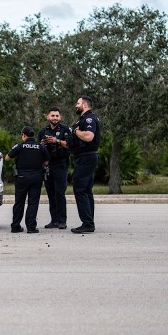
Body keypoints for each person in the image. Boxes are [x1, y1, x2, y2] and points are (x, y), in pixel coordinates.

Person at [5, 126, 49, 233]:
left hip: (22, 177)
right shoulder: (40, 147)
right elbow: (47, 162)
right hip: (36, 177)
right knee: (33, 203)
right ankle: (31, 227)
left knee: (19, 202)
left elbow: (7, 158)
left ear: (24, 135)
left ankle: (15, 226)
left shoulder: (20, 146)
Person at [67, 96, 101, 234]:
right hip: (86, 157)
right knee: (86, 190)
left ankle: (87, 223)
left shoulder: (89, 119)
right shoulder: (83, 119)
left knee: (80, 189)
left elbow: (88, 136)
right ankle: (89, 221)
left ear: (85, 105)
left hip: (86, 157)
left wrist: (75, 131)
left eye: (78, 103)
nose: (76, 105)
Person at [38, 107, 72, 230]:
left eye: (57, 116)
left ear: (60, 117)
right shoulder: (43, 131)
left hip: (61, 164)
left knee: (59, 193)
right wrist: (41, 145)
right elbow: (39, 150)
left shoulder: (66, 130)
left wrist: (56, 140)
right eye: (52, 116)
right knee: (51, 194)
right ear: (48, 117)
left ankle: (62, 221)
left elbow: (70, 145)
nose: (55, 118)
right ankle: (54, 220)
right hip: (48, 166)